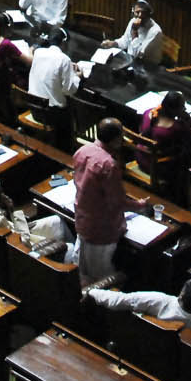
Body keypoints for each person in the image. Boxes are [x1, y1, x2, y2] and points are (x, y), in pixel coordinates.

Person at [88, 274, 191, 346]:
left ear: (182, 293)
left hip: (139, 343)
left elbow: (118, 300)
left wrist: (91, 292)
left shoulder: (158, 301)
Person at [72, 118, 128, 284]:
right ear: (116, 139)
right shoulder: (108, 165)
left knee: (81, 267)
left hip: (83, 220)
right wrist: (139, 205)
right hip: (101, 229)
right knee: (101, 277)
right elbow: (118, 202)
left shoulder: (83, 150)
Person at [0, 177, 68, 251]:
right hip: (22, 246)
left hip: (13, 230)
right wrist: (12, 210)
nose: (4, 196)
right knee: (70, 246)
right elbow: (24, 241)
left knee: (56, 220)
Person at [25, 27, 80, 108]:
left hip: (33, 107)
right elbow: (68, 91)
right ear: (64, 42)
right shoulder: (65, 60)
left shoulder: (38, 52)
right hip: (52, 113)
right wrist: (77, 76)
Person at [106, 0, 164, 64]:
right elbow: (125, 41)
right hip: (131, 60)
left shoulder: (155, 31)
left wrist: (134, 31)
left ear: (149, 14)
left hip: (147, 66)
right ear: (133, 12)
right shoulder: (133, 21)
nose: (140, 15)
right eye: (137, 12)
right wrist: (114, 43)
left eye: (143, 12)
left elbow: (138, 55)